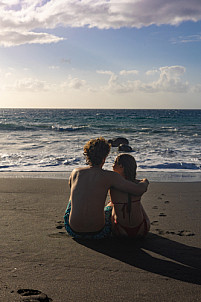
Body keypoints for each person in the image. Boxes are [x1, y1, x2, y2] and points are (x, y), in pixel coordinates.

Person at [64, 137, 149, 239]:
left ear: (87, 155)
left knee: (72, 198)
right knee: (111, 204)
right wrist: (144, 182)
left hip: (73, 231)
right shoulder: (110, 176)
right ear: (104, 157)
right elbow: (138, 190)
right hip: (98, 232)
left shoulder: (75, 172)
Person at [109, 154, 150, 238]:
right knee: (136, 202)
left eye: (114, 163)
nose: (112, 165)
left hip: (120, 230)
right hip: (142, 228)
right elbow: (145, 183)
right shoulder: (138, 184)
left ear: (121, 166)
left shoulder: (113, 185)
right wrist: (145, 181)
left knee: (111, 204)